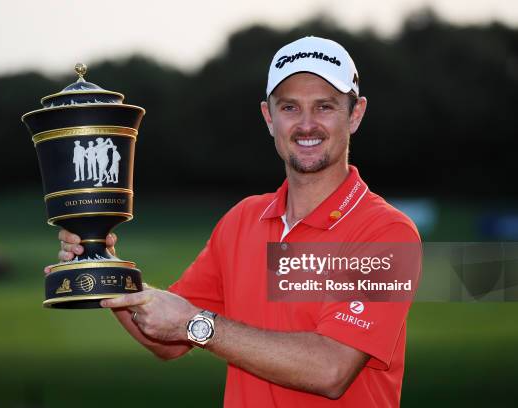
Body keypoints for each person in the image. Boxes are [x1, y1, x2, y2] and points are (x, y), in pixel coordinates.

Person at [51, 36, 420, 407]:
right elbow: (167, 340)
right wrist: (103, 265)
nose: (307, 125)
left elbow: (332, 369)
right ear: (268, 117)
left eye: (325, 107)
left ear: (354, 115)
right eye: (290, 107)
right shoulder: (243, 219)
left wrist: (198, 323)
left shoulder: (387, 232)